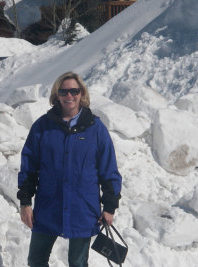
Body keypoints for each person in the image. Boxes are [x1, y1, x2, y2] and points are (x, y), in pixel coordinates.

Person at [17, 71, 122, 267]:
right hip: (48, 208)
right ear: (57, 95)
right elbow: (29, 167)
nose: (69, 96)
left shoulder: (96, 128)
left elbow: (109, 170)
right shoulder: (42, 127)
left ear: (82, 93)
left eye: (74, 91)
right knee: (35, 260)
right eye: (64, 91)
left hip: (83, 209)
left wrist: (109, 206)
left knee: (78, 262)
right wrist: (25, 202)